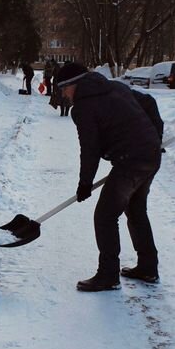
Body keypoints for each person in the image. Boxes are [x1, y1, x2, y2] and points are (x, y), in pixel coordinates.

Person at [56, 62, 162, 292]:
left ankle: (108, 275)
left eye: (64, 89)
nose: (64, 95)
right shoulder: (116, 87)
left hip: (130, 162)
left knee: (105, 215)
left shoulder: (84, 107)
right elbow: (149, 103)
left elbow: (90, 147)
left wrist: (85, 183)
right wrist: (156, 139)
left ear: (74, 85)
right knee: (135, 210)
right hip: (150, 156)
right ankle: (148, 267)